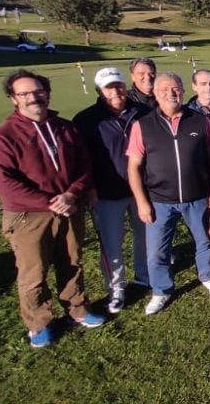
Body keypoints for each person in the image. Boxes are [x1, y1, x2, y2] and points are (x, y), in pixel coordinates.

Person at [0, 69, 105, 347]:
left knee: (71, 262)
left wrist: (73, 193)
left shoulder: (65, 128)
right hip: (28, 216)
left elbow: (85, 164)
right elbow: (5, 183)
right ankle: (39, 322)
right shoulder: (3, 137)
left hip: (70, 207)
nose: (33, 98)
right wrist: (50, 202)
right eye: (24, 93)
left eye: (38, 92)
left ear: (47, 93)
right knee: (33, 272)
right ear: (13, 99)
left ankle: (77, 309)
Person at [126, 72, 210, 315]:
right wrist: (141, 202)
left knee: (204, 240)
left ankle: (205, 274)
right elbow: (134, 166)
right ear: (155, 94)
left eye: (175, 89)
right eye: (164, 90)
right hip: (160, 200)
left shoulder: (199, 120)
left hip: (197, 196)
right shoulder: (143, 125)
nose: (171, 94)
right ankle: (161, 289)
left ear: (183, 91)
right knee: (157, 249)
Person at [73, 67, 150, 314]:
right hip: (105, 193)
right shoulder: (86, 119)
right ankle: (116, 289)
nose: (115, 91)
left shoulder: (143, 112)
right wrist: (90, 188)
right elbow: (80, 160)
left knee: (145, 237)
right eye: (109, 88)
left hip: (142, 190)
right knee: (111, 244)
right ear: (99, 91)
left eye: (118, 86)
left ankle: (144, 274)